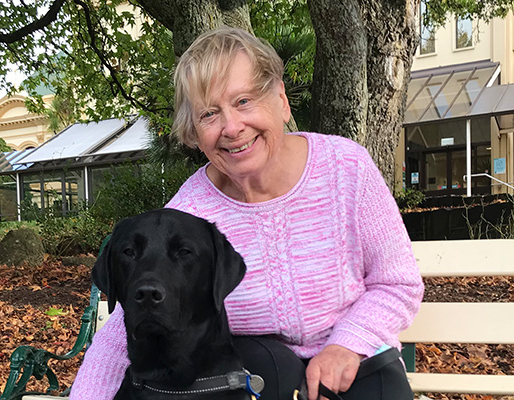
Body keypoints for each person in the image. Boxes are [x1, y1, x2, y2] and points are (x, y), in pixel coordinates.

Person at [70, 27, 424, 400]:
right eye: (209, 113)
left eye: (244, 101)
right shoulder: (190, 212)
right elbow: (127, 323)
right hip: (259, 369)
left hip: (357, 360)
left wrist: (349, 343)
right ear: (194, 131)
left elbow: (397, 283)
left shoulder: (346, 167)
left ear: (281, 101)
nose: (232, 127)